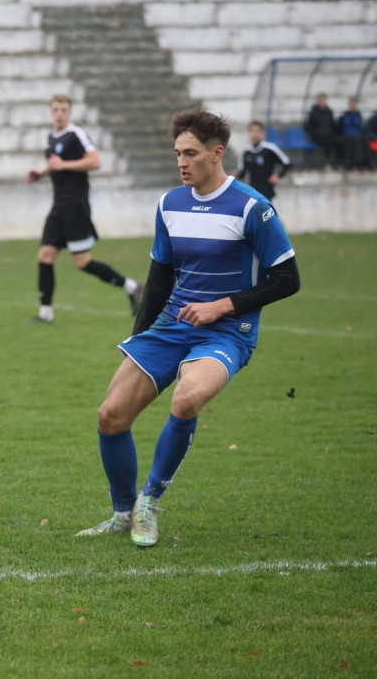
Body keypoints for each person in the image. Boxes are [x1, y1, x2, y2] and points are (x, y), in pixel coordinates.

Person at [76, 109, 300, 548]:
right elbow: (160, 277)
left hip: (227, 332)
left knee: (188, 397)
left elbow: (288, 279)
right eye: (178, 153)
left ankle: (149, 503)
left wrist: (223, 306)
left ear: (217, 154)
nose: (182, 162)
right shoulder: (170, 203)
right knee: (111, 416)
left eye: (191, 153)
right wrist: (140, 336)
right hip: (171, 324)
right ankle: (122, 513)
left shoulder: (253, 207)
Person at [26, 93, 142, 324]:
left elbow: (95, 161)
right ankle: (45, 313)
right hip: (58, 207)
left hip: (75, 207)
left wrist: (64, 164)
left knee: (82, 262)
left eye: (63, 110)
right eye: (56, 109)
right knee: (45, 255)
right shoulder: (52, 137)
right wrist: (41, 173)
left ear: (70, 112)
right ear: (51, 111)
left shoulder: (76, 135)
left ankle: (131, 286)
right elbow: (56, 164)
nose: (59, 114)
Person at [235, 120, 291, 200]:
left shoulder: (270, 149)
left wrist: (278, 175)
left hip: (267, 189)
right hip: (252, 190)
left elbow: (287, 163)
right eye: (252, 131)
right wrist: (236, 175)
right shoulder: (245, 152)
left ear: (263, 134)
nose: (255, 134)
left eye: (257, 131)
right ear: (248, 133)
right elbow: (242, 173)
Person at [303, 92, 337, 167]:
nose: (322, 102)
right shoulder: (313, 112)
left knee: (338, 140)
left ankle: (340, 161)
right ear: (318, 101)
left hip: (328, 134)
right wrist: (314, 133)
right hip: (317, 135)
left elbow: (332, 125)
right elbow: (309, 126)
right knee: (328, 141)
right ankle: (327, 162)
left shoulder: (329, 112)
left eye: (324, 100)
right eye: (321, 100)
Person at [338, 97, 367, 171]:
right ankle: (347, 165)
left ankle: (357, 165)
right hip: (347, 134)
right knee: (348, 144)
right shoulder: (345, 115)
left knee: (359, 144)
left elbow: (361, 127)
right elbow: (340, 126)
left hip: (356, 135)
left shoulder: (358, 115)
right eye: (351, 104)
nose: (353, 106)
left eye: (354, 104)